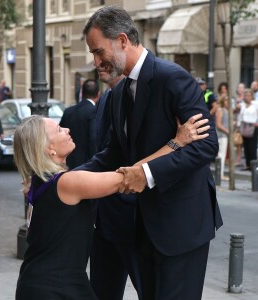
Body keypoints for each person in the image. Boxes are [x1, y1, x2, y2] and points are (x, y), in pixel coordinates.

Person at [82, 6, 223, 299]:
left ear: (122, 40)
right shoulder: (120, 93)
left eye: (98, 52)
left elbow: (207, 145)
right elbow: (114, 153)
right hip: (144, 230)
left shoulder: (172, 78)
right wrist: (65, 179)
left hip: (181, 229)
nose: (96, 62)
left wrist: (146, 174)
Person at [13, 114, 209, 300]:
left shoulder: (42, 181)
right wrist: (176, 143)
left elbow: (128, 174)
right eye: (59, 130)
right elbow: (129, 178)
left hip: (47, 282)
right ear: (49, 149)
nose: (67, 129)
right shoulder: (68, 183)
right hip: (54, 287)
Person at [90, 74, 142, 299]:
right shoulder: (105, 99)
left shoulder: (142, 96)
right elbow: (104, 154)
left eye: (100, 52)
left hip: (135, 221)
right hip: (103, 220)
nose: (97, 62)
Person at [59, 79, 100, 169]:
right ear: (98, 94)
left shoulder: (68, 111)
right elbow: (93, 139)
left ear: (82, 93)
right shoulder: (93, 111)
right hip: (86, 164)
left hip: (67, 161)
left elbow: (59, 135)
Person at [238, 89, 258, 171]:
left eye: (248, 95)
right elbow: (240, 115)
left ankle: (253, 165)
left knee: (252, 147)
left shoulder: (255, 104)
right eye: (245, 95)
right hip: (244, 126)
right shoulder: (242, 105)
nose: (247, 97)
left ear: (252, 96)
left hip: (253, 126)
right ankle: (247, 164)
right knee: (245, 146)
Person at [215, 94, 229, 181]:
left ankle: (221, 173)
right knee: (221, 155)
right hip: (221, 135)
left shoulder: (226, 110)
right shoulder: (220, 109)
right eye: (226, 101)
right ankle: (220, 174)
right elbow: (219, 124)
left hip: (224, 135)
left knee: (222, 155)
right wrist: (228, 131)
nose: (228, 103)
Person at [233, 83, 245, 166]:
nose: (240, 90)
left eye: (241, 88)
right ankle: (238, 159)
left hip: (246, 122)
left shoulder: (247, 98)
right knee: (238, 142)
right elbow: (232, 110)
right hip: (237, 122)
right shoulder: (235, 99)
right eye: (239, 88)